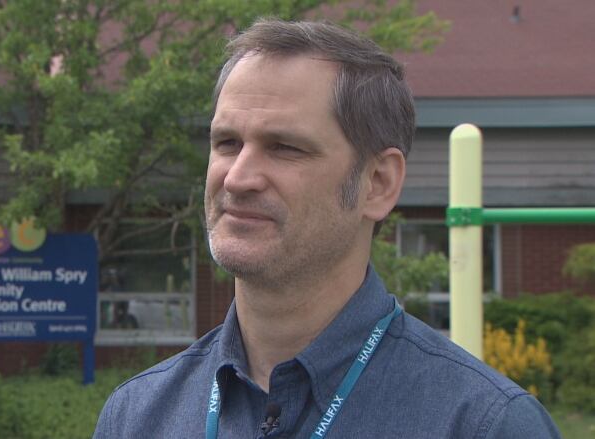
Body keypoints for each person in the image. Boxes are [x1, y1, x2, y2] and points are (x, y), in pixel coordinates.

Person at [93, 19, 561, 438]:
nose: (237, 177)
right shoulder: (137, 415)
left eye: (285, 148)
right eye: (227, 142)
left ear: (377, 183)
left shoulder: (483, 424)